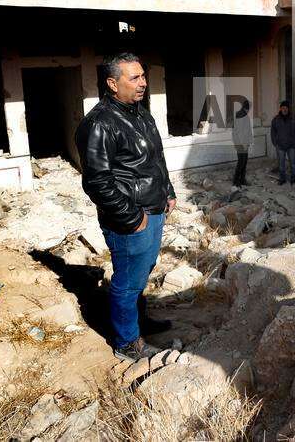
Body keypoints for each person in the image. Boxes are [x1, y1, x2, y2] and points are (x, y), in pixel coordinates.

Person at [74, 52, 176, 359]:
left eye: (143, 76)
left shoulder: (140, 113)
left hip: (154, 209)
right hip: (131, 218)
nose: (143, 83)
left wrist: (167, 191)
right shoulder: (99, 123)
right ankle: (127, 341)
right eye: (134, 78)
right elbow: (96, 181)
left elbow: (155, 159)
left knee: (141, 274)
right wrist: (132, 217)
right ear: (112, 83)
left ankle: (138, 323)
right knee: (128, 281)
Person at [270, 99, 295, 185]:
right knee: (281, 164)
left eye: (286, 108)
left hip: (291, 146)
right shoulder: (276, 120)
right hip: (280, 146)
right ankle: (282, 179)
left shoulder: (293, 119)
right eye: (283, 108)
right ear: (280, 109)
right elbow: (273, 132)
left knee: (292, 164)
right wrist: (275, 143)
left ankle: (293, 179)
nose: (284, 109)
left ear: (288, 109)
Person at [231, 97, 252, 188]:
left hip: (245, 143)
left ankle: (242, 180)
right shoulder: (239, 116)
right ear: (245, 108)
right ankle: (236, 181)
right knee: (241, 162)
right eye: (248, 108)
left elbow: (247, 131)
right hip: (240, 144)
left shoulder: (245, 116)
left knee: (244, 162)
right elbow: (236, 132)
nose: (249, 110)